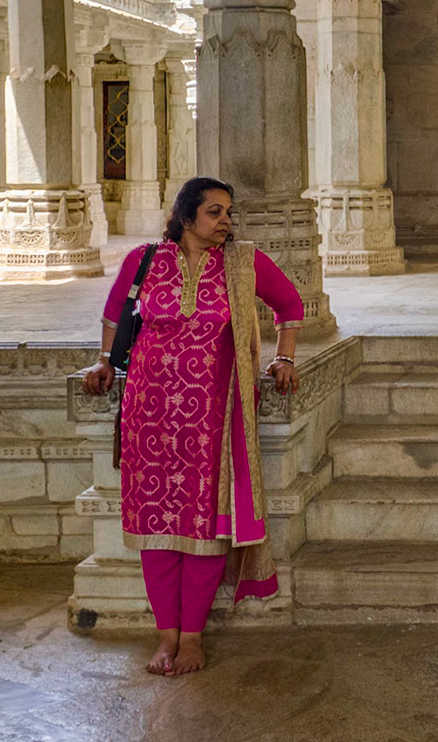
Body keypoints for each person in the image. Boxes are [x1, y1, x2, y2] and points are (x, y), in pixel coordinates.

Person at [81, 177, 305, 676]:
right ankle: (165, 637)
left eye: (228, 212)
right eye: (214, 212)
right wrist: (103, 361)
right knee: (156, 528)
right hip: (149, 416)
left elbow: (289, 305)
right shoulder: (144, 260)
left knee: (205, 527)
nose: (225, 220)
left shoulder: (242, 263)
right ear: (186, 217)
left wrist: (283, 358)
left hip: (211, 420)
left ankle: (192, 639)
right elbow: (115, 315)